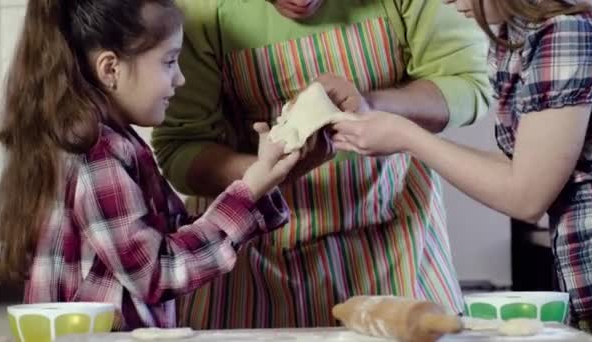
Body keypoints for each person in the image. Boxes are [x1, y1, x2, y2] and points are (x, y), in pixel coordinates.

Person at [153, 0, 491, 329]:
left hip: (398, 246)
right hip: (253, 268)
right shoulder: (198, 10)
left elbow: (466, 84)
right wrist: (268, 174)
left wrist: (371, 104)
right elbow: (182, 150)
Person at [0, 0, 302, 331]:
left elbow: (166, 239)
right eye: (170, 61)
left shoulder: (113, 143)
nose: (180, 78)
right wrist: (249, 192)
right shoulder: (96, 153)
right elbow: (156, 272)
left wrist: (258, 189)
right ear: (111, 69)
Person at [332, 0, 592, 333]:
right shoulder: (515, 36)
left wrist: (407, 136)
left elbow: (526, 197)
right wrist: (403, 134)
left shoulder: (565, 33)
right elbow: (519, 168)